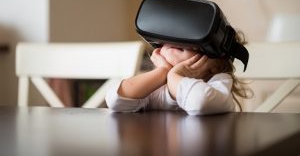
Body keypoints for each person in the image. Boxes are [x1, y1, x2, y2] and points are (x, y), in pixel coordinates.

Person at [105, 30, 251, 115]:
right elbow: (115, 100)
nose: (180, 40)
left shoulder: (218, 83)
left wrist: (174, 76)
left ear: (217, 66)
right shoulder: (159, 83)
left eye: (195, 41)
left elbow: (200, 101)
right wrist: (163, 72)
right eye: (170, 37)